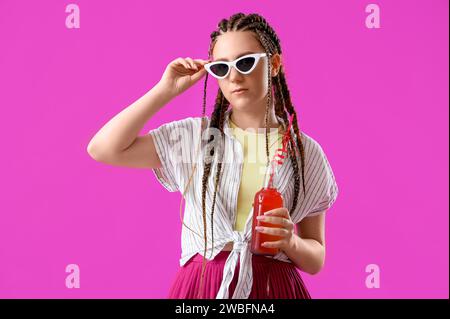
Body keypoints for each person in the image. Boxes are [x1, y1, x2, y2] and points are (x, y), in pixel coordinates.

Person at [87, 12, 339, 299]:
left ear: (274, 64)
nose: (234, 76)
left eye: (246, 62)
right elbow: (104, 148)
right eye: (221, 68)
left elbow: (316, 257)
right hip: (202, 285)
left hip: (274, 287)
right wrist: (165, 91)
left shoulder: (303, 152)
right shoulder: (196, 138)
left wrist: (290, 243)